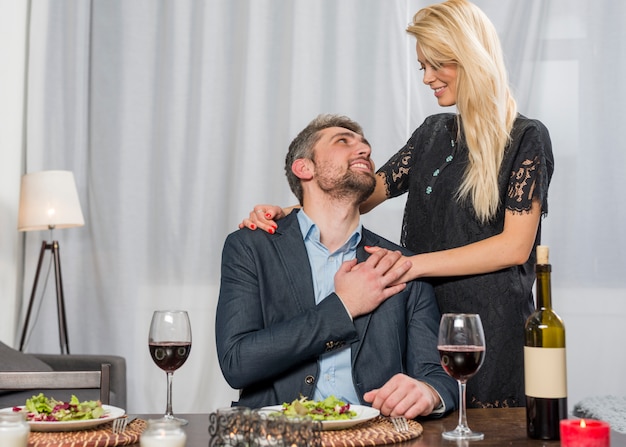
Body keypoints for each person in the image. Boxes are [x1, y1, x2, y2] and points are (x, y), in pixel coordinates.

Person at [239, 0, 555, 409]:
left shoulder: (526, 138)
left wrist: (412, 264)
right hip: (423, 321)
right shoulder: (432, 133)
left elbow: (514, 247)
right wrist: (293, 211)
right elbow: (358, 194)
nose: (426, 78)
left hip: (489, 330)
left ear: (469, 57)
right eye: (421, 66)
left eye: (434, 64)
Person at [216, 114, 458, 419]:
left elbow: (439, 377)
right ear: (304, 167)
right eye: (343, 141)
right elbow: (237, 363)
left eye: (365, 145)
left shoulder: (400, 263)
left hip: (376, 437)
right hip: (278, 435)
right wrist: (343, 307)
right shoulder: (250, 247)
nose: (364, 150)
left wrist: (428, 392)